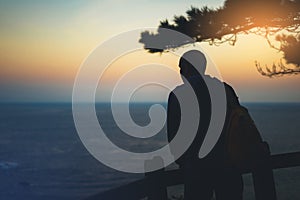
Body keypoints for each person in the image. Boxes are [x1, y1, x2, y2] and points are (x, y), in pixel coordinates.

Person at [167, 50, 243, 200]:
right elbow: (238, 125)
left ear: (188, 68)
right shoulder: (226, 89)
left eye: (181, 68)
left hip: (196, 168)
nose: (180, 73)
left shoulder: (178, 95)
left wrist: (183, 162)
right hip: (229, 165)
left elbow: (174, 136)